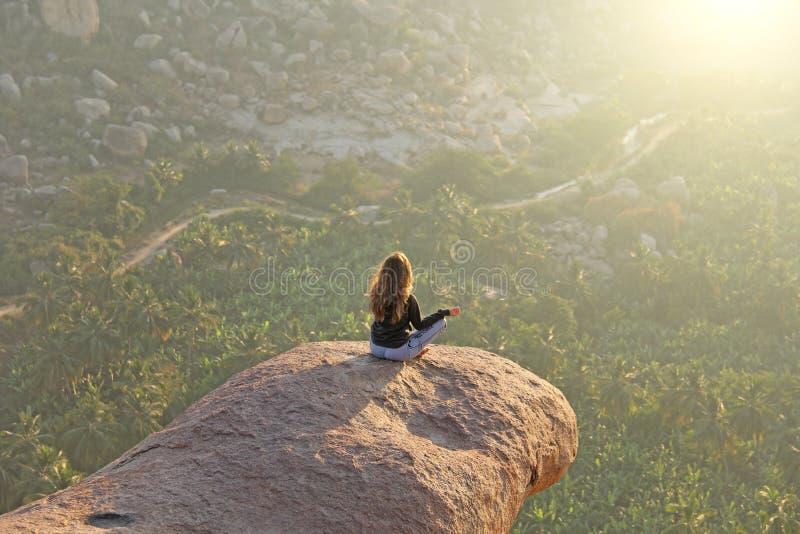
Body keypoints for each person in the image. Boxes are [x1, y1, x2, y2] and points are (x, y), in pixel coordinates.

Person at [367, 251, 460, 361]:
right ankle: (413, 351)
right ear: (405, 274)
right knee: (441, 322)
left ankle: (410, 349)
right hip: (397, 352)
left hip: (376, 348)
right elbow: (420, 325)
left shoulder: (377, 293)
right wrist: (443, 313)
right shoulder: (408, 299)